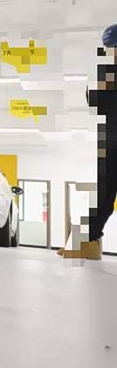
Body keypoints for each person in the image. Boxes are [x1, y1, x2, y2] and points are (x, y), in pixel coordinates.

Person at [62, 24, 117, 260]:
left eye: (114, 47)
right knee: (103, 196)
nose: (112, 52)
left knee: (104, 195)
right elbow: (94, 103)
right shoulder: (105, 71)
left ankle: (88, 241)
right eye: (109, 48)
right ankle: (87, 242)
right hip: (110, 141)